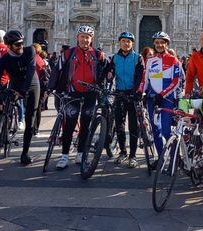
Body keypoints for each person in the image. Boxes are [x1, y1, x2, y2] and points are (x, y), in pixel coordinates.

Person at [48, 26, 107, 170]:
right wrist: (51, 87)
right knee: (70, 123)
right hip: (72, 92)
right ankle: (64, 156)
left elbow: (106, 71)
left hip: (90, 93)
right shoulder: (69, 53)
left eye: (87, 37)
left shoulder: (99, 55)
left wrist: (103, 85)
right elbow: (57, 69)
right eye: (82, 36)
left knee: (86, 125)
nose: (84, 40)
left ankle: (80, 153)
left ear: (91, 39)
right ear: (77, 38)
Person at [0, 30, 40, 165]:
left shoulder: (30, 51)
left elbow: (31, 70)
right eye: (17, 45)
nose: (21, 47)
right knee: (0, 105)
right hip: (15, 85)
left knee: (30, 119)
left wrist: (23, 91)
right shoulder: (4, 59)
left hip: (32, 85)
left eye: (22, 43)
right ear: (9, 45)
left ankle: (25, 152)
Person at [103, 32, 145, 168]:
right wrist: (109, 77)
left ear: (132, 43)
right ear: (119, 43)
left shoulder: (137, 58)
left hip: (132, 96)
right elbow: (110, 74)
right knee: (119, 126)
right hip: (120, 94)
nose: (126, 43)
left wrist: (136, 92)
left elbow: (140, 77)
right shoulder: (115, 58)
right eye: (124, 41)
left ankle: (133, 155)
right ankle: (123, 152)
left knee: (133, 126)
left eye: (129, 41)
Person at [138, 32, 182, 156]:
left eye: (162, 42)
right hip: (152, 99)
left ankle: (174, 158)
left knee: (166, 132)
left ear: (167, 44)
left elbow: (175, 81)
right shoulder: (150, 60)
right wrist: (140, 92)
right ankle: (161, 158)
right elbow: (145, 79)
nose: (159, 45)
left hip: (166, 99)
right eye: (157, 42)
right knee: (155, 131)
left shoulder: (174, 60)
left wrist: (162, 94)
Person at [32, 42, 51, 137]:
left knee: (34, 108)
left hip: (36, 87)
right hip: (42, 87)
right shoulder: (42, 60)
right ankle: (35, 129)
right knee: (37, 108)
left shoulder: (34, 59)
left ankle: (33, 128)